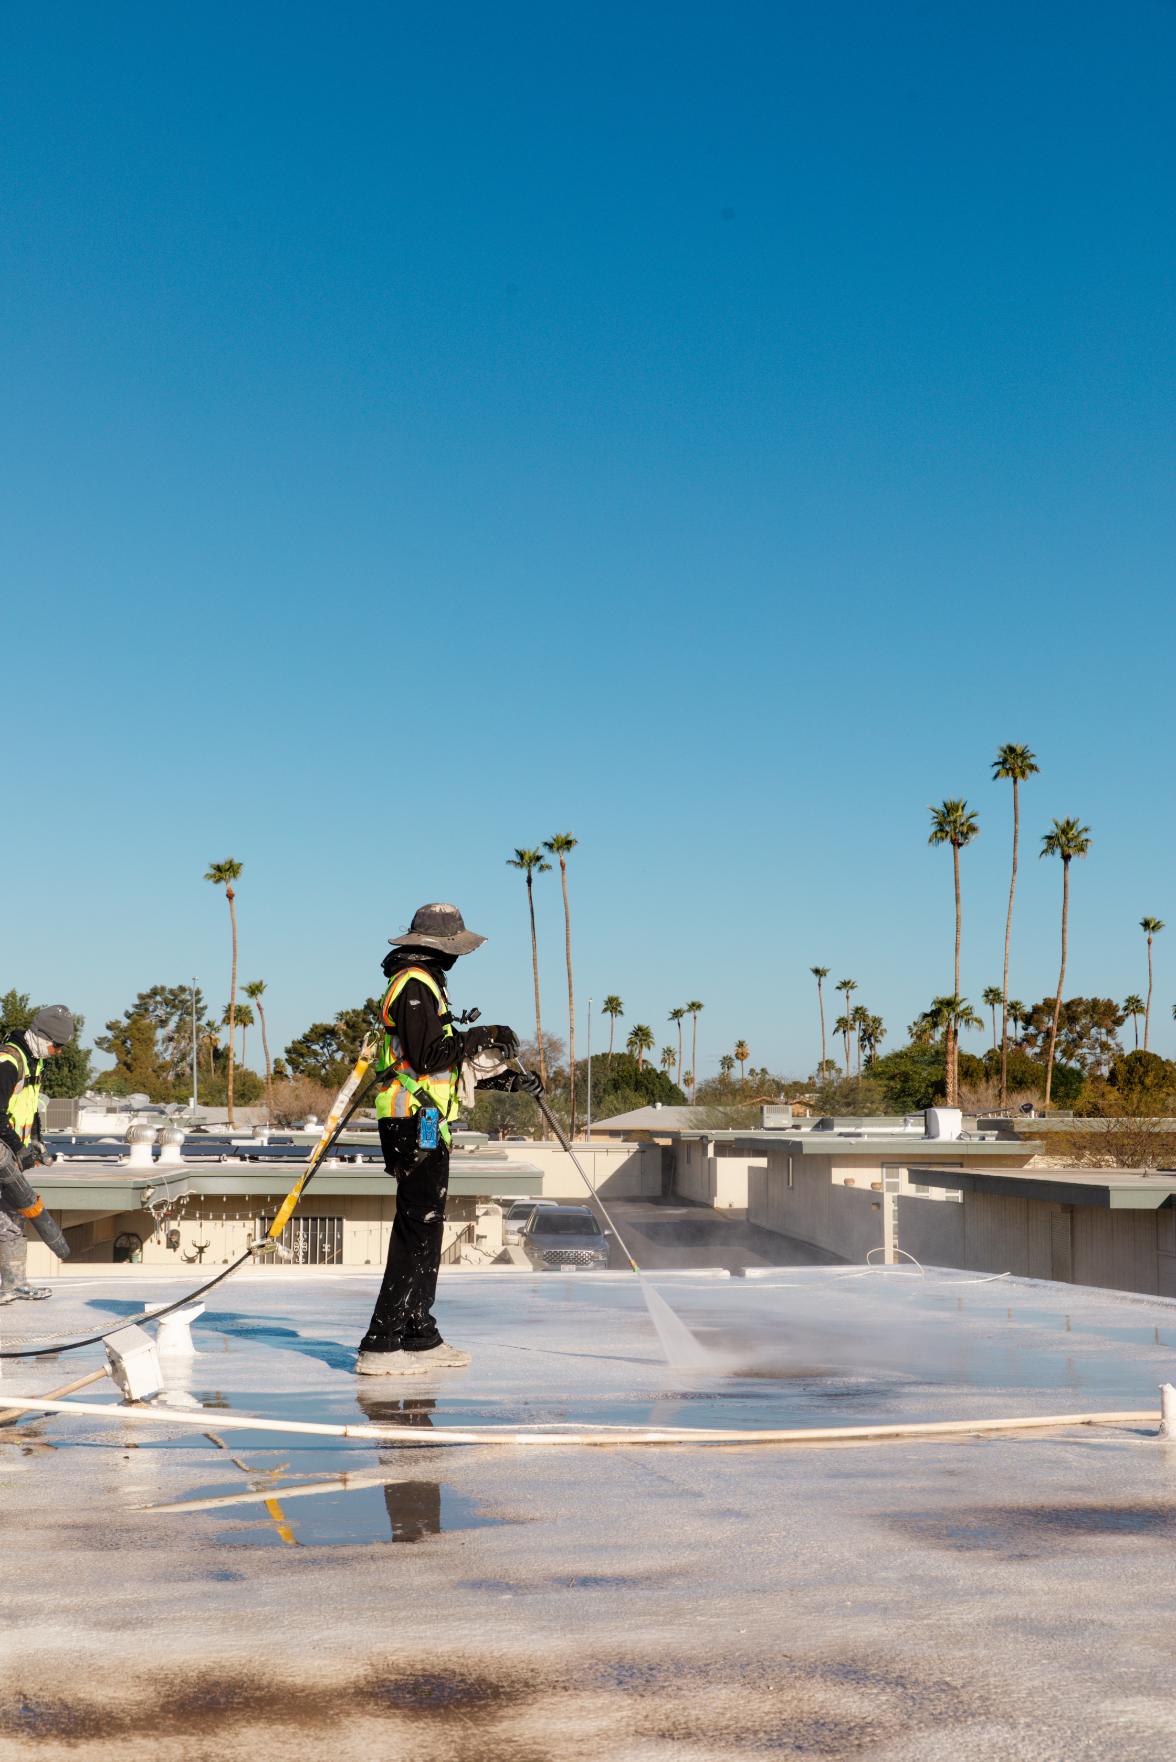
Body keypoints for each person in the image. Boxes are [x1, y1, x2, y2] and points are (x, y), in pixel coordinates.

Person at [356, 903, 541, 1376]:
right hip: (410, 1122)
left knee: (428, 1226)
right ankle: (381, 1342)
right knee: (416, 1228)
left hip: (428, 1121)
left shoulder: (426, 984)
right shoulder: (414, 985)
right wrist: (480, 1034)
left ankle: (419, 1334)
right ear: (438, 946)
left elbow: (444, 1063)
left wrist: (505, 1080)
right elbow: (425, 1057)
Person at [0, 1004, 75, 1303]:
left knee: (13, 1217)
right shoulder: (8, 1061)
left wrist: (38, 1140)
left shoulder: (35, 1061)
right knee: (6, 1218)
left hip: (10, 1153)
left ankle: (13, 1284)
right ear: (42, 1036)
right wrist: (18, 1147)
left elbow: (31, 1106)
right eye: (56, 1045)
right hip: (4, 1151)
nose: (57, 1052)